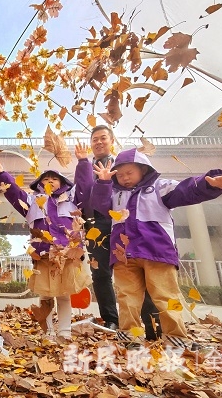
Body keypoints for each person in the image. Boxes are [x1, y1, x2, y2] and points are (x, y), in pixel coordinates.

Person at [89, 147, 222, 349]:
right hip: (123, 256)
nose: (125, 178)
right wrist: (103, 182)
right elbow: (100, 205)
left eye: (129, 173)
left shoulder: (159, 187)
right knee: (127, 297)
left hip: (157, 252)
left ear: (143, 170)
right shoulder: (115, 194)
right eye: (120, 175)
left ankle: (175, 337)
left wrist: (210, 183)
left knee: (166, 296)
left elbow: (186, 190)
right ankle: (129, 337)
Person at [0, 154, 92, 341]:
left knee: (63, 294)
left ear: (62, 183)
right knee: (45, 294)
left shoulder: (72, 199)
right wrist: (2, 174)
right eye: (46, 179)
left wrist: (84, 162)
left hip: (66, 255)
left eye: (55, 179)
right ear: (39, 183)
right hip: (43, 255)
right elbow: (14, 194)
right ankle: (48, 330)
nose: (50, 181)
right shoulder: (32, 201)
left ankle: (64, 331)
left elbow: (85, 186)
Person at [81, 125, 161, 338]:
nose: (98, 142)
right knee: (100, 274)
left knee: (136, 270)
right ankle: (111, 320)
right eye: (94, 139)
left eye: (103, 138)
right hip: (94, 225)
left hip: (124, 224)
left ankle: (151, 322)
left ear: (112, 140)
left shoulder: (124, 165)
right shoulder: (84, 168)